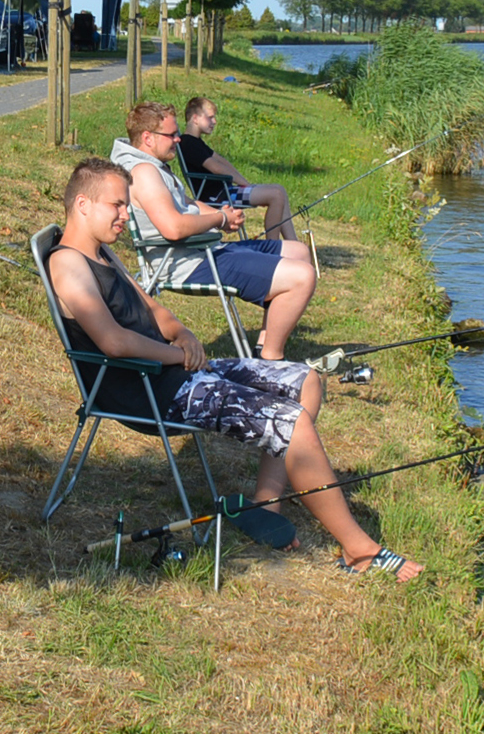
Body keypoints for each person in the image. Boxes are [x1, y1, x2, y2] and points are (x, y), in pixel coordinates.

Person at [48, 157, 419, 579]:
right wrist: (175, 355)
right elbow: (112, 341)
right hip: (149, 391)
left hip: (174, 374)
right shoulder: (68, 264)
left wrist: (183, 334)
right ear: (82, 204)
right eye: (116, 205)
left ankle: (265, 504)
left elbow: (153, 308)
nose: (125, 214)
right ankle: (360, 550)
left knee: (306, 381)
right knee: (291, 422)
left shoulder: (102, 253)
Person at [110, 100, 317, 362]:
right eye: (171, 135)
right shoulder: (144, 173)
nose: (177, 140)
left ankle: (262, 347)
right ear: (148, 137)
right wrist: (219, 218)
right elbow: (173, 228)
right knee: (303, 276)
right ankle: (271, 360)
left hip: (202, 250)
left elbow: (186, 203)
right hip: (187, 262)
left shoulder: (152, 165)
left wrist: (223, 216)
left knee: (298, 251)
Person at [177, 94, 292, 237]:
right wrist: (245, 184)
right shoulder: (188, 143)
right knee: (276, 194)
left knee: (280, 191)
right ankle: (273, 247)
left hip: (226, 191)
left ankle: (293, 242)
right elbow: (217, 168)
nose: (215, 121)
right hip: (218, 197)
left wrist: (245, 183)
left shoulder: (196, 142)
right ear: (195, 118)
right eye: (210, 117)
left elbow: (222, 161)